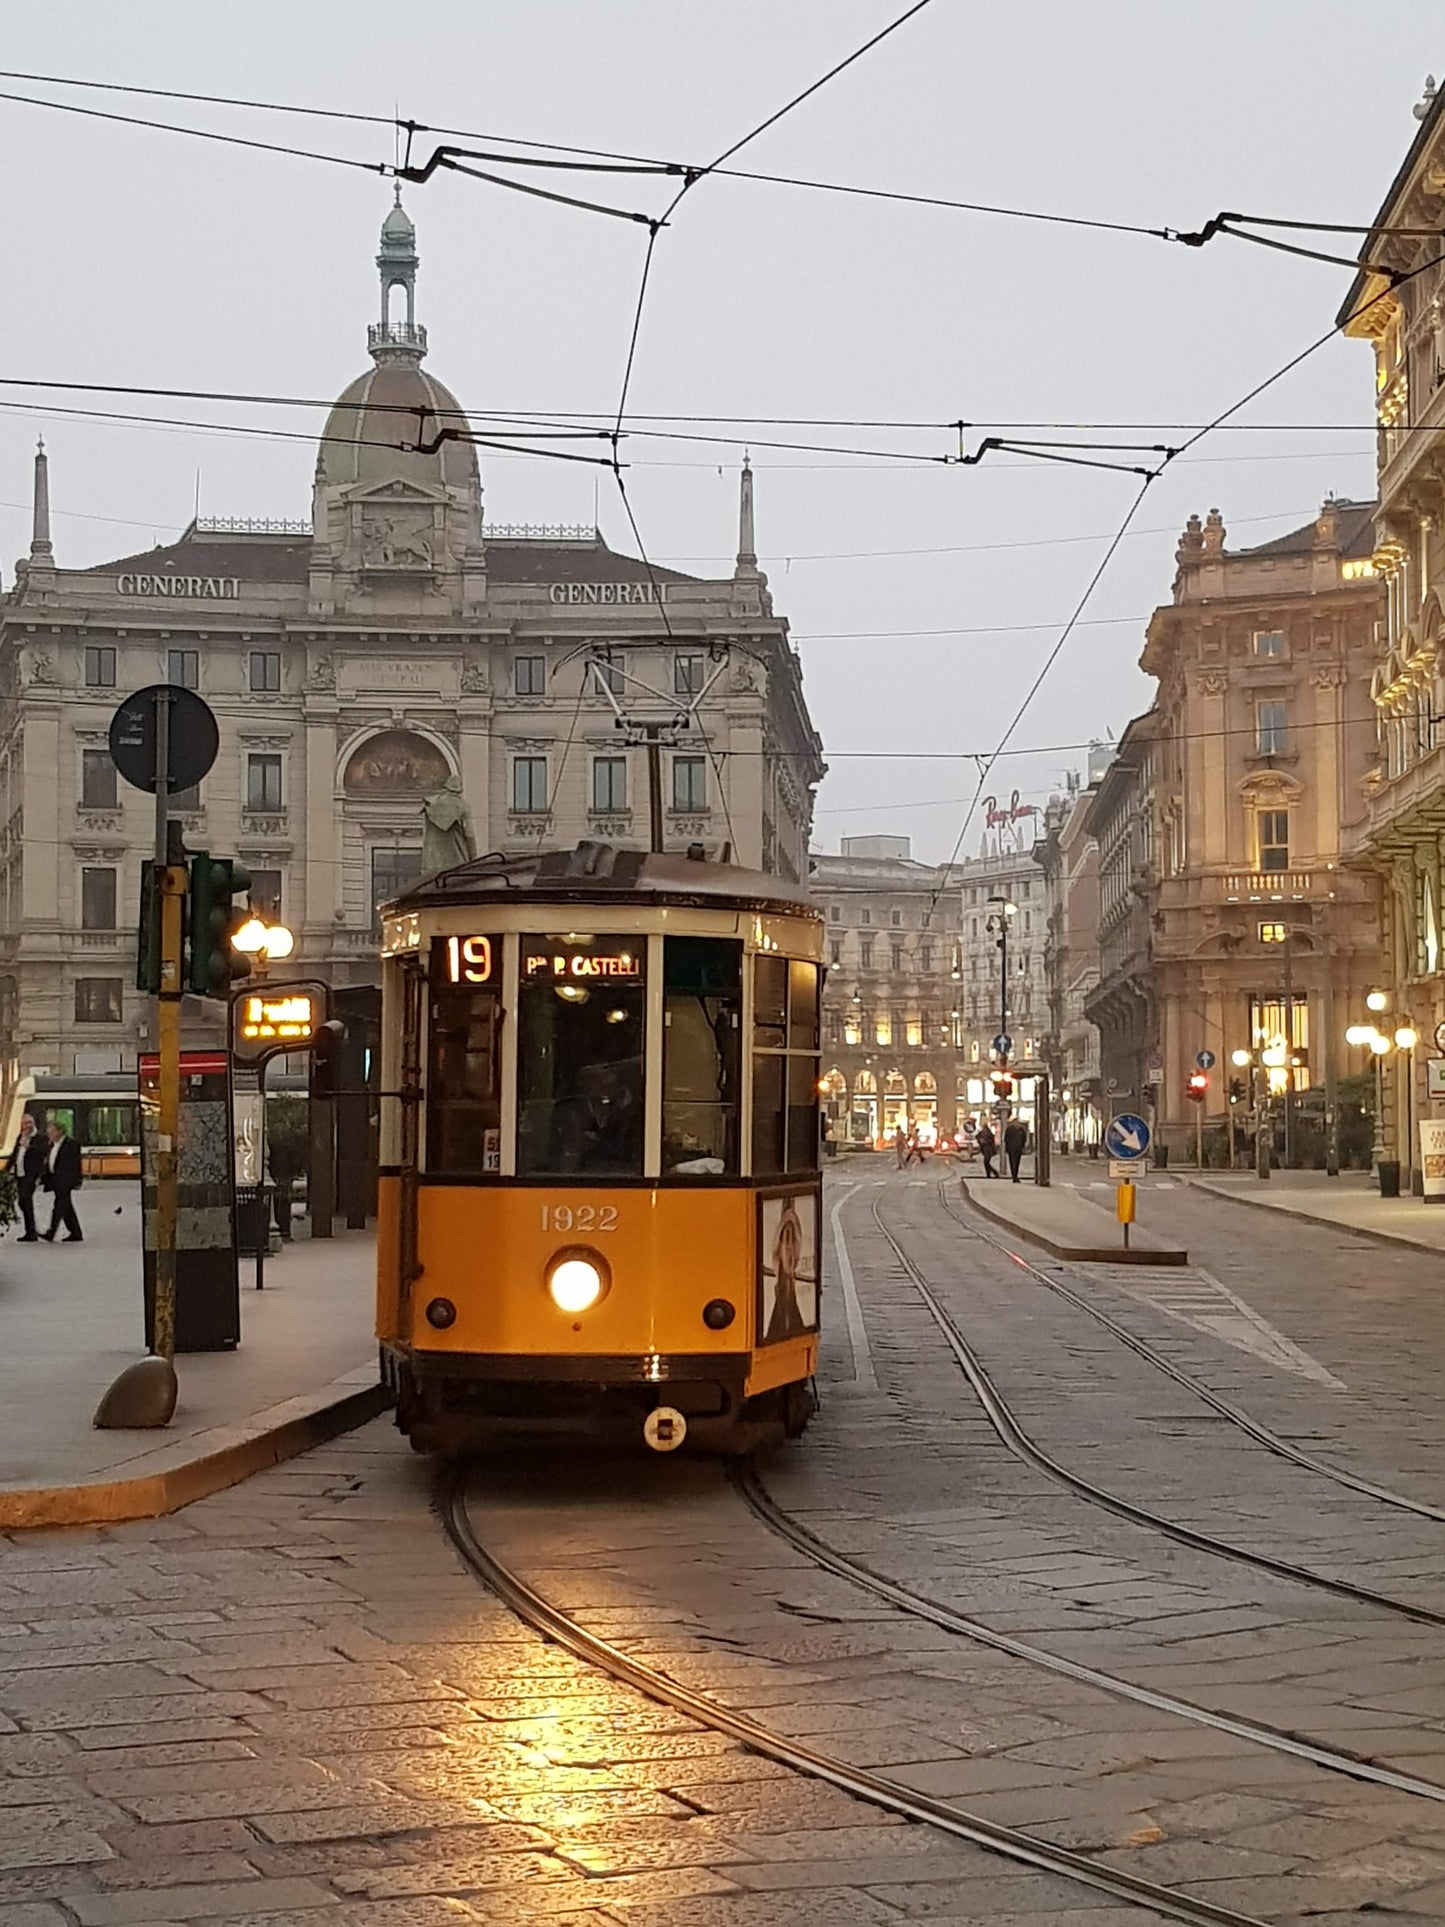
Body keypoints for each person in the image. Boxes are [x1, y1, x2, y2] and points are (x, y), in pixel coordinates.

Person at [40, 1121, 82, 1241]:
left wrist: (77, 1180)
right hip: (55, 1179)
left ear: (60, 1131)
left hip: (65, 1180)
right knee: (66, 1207)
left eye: (52, 1131)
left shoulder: (71, 1144)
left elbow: (75, 1164)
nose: (49, 1134)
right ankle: (76, 1232)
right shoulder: (52, 1144)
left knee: (59, 1205)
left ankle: (51, 1232)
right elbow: (49, 1162)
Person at [9, 1112, 47, 1241]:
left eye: (29, 1123)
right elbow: (15, 1154)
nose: (27, 1126)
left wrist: (28, 1146)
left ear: (33, 1123)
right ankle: (30, 1230)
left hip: (30, 1176)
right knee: (22, 1202)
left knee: (26, 1201)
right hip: (20, 1174)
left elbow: (42, 1152)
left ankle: (31, 1232)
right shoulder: (21, 1137)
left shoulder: (40, 1137)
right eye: (24, 1123)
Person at [1004, 1115, 1028, 1183]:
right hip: (1017, 1147)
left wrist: (1007, 1147)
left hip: (1012, 1148)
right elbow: (1024, 1138)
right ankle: (1015, 1175)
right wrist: (1022, 1146)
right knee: (1016, 1162)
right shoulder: (1020, 1128)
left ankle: (1014, 1175)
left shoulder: (1010, 1129)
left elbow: (1006, 1138)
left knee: (1013, 1162)